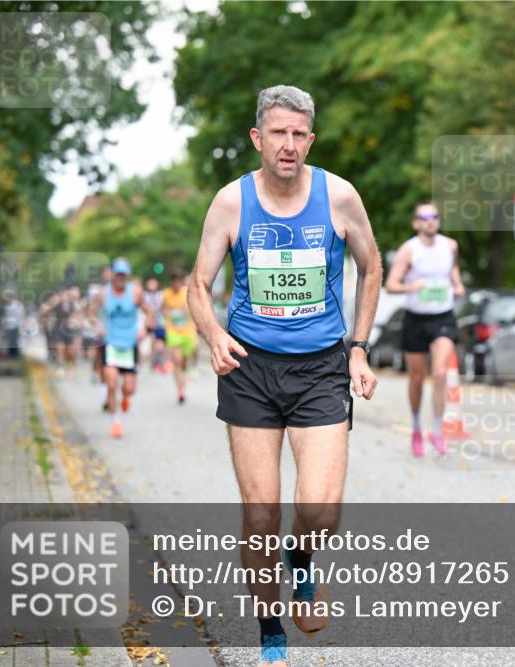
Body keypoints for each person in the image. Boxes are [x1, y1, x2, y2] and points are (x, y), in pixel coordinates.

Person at [187, 85, 381, 667]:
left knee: (319, 511)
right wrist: (215, 336)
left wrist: (360, 349)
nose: (289, 145)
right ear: (258, 138)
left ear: (310, 139)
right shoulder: (231, 202)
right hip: (249, 368)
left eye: (299, 134)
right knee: (261, 512)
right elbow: (198, 286)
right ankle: (270, 626)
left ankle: (301, 561)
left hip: (322, 367)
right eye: (278, 133)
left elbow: (371, 268)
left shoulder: (339, 197)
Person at [385, 201, 466, 457]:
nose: (430, 220)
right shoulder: (408, 251)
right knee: (417, 378)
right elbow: (391, 285)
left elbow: (452, 268)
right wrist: (412, 288)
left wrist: (458, 284)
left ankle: (438, 431)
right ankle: (417, 425)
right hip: (415, 318)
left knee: (440, 373)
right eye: (424, 217)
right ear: (416, 223)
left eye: (434, 216)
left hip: (442, 316)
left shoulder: (450, 246)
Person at [88, 258, 154, 439]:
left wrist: (144, 329)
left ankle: (125, 397)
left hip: (130, 343)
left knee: (129, 389)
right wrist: (97, 325)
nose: (120, 278)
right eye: (117, 274)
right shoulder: (103, 293)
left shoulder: (135, 292)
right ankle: (116, 422)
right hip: (110, 342)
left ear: (127, 276)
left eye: (123, 275)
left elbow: (149, 311)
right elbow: (90, 313)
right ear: (112, 275)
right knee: (111, 382)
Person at [162, 270, 198, 404]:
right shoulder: (166, 294)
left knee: (184, 362)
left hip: (188, 332)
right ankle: (181, 391)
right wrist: (170, 313)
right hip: (173, 331)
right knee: (176, 361)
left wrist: (187, 312)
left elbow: (195, 308)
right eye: (174, 281)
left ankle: (187, 372)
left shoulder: (187, 292)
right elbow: (163, 308)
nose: (176, 284)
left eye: (178, 281)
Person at [143, 277, 168, 372]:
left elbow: (163, 307)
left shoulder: (160, 295)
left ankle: (162, 361)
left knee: (161, 341)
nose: (152, 286)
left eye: (154, 284)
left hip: (160, 321)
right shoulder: (144, 295)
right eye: (150, 284)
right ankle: (153, 361)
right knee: (152, 341)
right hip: (149, 321)